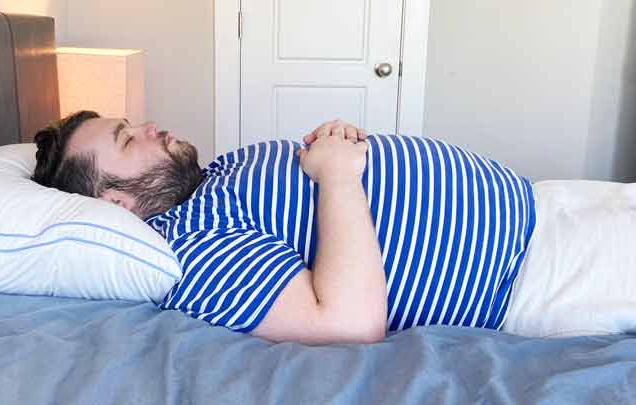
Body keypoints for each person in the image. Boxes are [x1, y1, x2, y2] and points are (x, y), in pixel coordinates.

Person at [31, 111, 631, 345]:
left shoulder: (212, 177)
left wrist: (338, 147)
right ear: (117, 203)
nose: (150, 125)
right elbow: (347, 323)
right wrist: (341, 176)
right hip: (538, 268)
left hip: (549, 203)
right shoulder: (189, 249)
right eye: (126, 139)